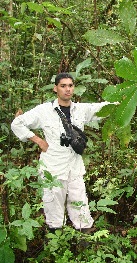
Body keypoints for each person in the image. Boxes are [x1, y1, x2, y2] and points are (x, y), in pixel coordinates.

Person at [11, 72, 110, 233]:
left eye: (70, 86)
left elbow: (103, 108)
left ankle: (83, 238)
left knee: (79, 201)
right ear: (55, 88)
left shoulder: (80, 110)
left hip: (74, 166)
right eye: (63, 86)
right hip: (53, 166)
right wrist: (38, 140)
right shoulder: (44, 111)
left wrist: (130, 96)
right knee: (53, 205)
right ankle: (56, 241)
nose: (67, 89)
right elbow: (17, 123)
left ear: (74, 88)